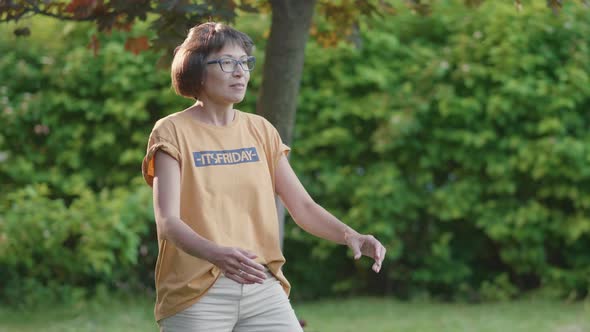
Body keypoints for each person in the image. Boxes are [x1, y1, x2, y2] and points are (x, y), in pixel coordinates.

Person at [142, 22, 387, 332]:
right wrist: (217, 254)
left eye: (245, 63)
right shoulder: (172, 131)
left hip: (261, 284)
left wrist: (350, 235)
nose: (240, 72)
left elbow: (303, 207)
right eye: (227, 62)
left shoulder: (261, 130)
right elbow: (168, 222)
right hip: (195, 292)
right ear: (197, 69)